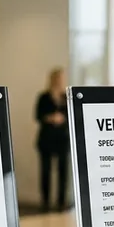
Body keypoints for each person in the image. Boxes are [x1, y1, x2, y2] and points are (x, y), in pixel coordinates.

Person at [35, 68, 70, 212]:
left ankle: (61, 201)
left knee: (63, 171)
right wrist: (50, 118)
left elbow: (71, 116)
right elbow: (37, 115)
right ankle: (45, 201)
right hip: (47, 138)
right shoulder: (43, 96)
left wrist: (62, 119)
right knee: (46, 171)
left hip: (62, 138)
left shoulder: (66, 97)